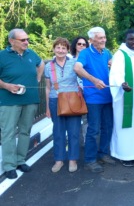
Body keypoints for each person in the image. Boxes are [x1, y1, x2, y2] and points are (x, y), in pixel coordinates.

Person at [0, 29, 45, 179]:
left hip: (30, 99)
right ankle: (9, 166)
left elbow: (41, 64)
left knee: (25, 131)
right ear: (12, 41)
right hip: (9, 101)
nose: (26, 42)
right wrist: (7, 86)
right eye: (23, 40)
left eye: (27, 39)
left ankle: (20, 161)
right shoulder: (2, 56)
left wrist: (38, 78)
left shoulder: (31, 53)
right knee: (8, 133)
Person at [74, 26, 114, 173]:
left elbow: (116, 65)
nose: (104, 40)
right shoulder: (85, 53)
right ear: (91, 40)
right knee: (93, 130)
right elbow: (77, 68)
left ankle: (103, 154)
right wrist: (93, 80)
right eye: (100, 38)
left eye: (104, 37)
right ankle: (90, 160)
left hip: (108, 97)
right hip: (93, 99)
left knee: (107, 128)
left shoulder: (107, 52)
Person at [109, 29, 134, 167]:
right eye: (131, 39)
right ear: (125, 40)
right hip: (125, 97)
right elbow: (115, 74)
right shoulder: (120, 55)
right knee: (126, 126)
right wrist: (122, 84)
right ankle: (124, 155)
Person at [44, 37, 81, 173]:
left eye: (63, 48)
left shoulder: (75, 63)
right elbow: (48, 88)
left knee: (74, 132)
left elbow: (83, 76)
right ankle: (59, 160)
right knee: (58, 132)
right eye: (58, 47)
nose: (60, 50)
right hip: (55, 100)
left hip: (73, 100)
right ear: (54, 49)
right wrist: (47, 107)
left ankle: (72, 159)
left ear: (67, 50)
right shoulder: (48, 66)